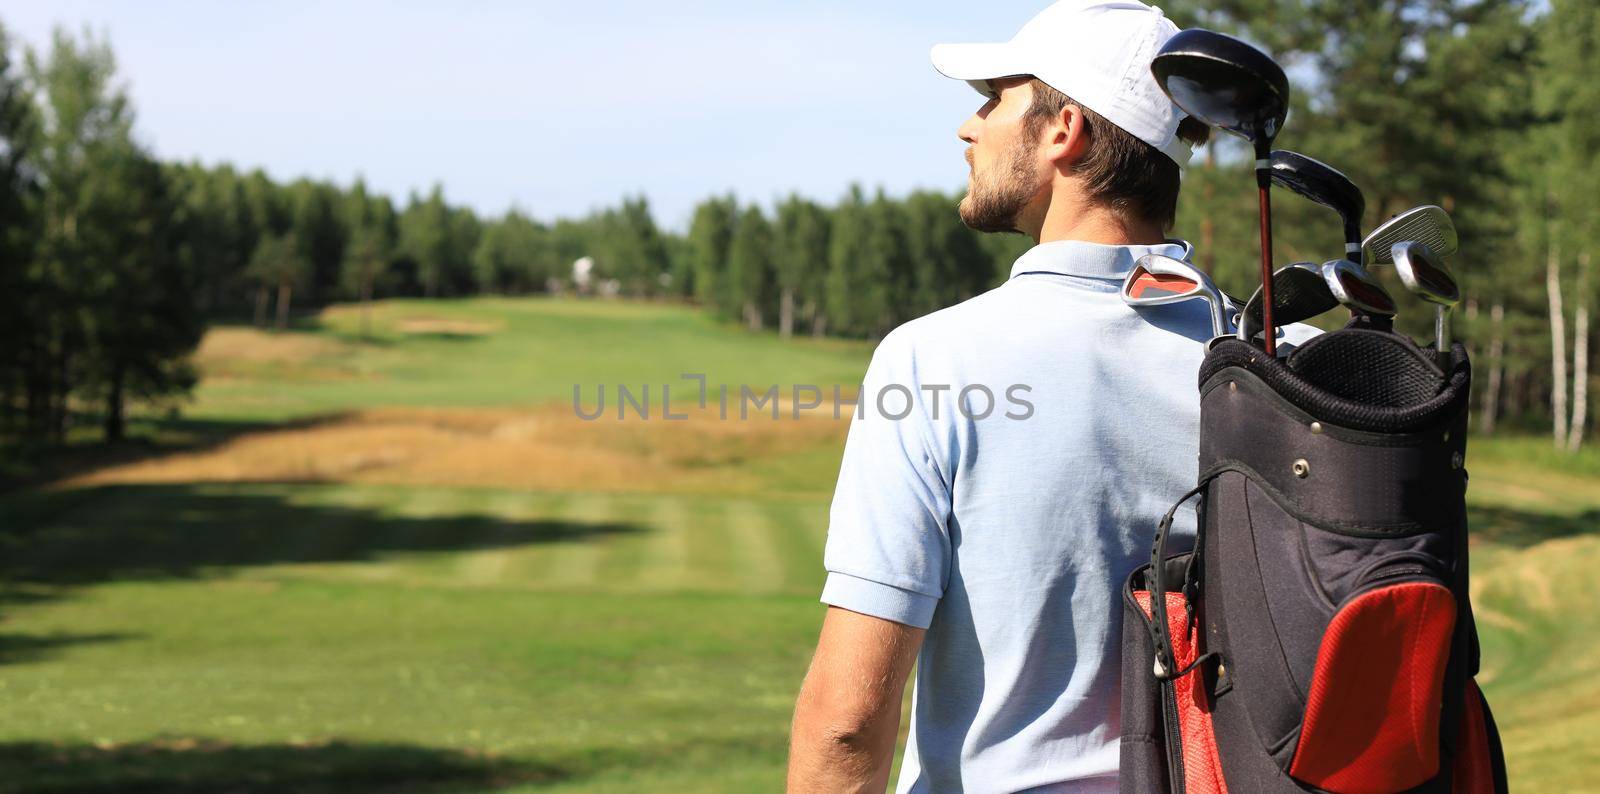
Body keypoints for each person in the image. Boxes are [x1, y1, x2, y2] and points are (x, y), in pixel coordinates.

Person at [785, 2, 1309, 791]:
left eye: (995, 97)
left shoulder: (934, 360)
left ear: (1065, 129)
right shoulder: (1282, 363)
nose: (970, 127)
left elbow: (848, 721)